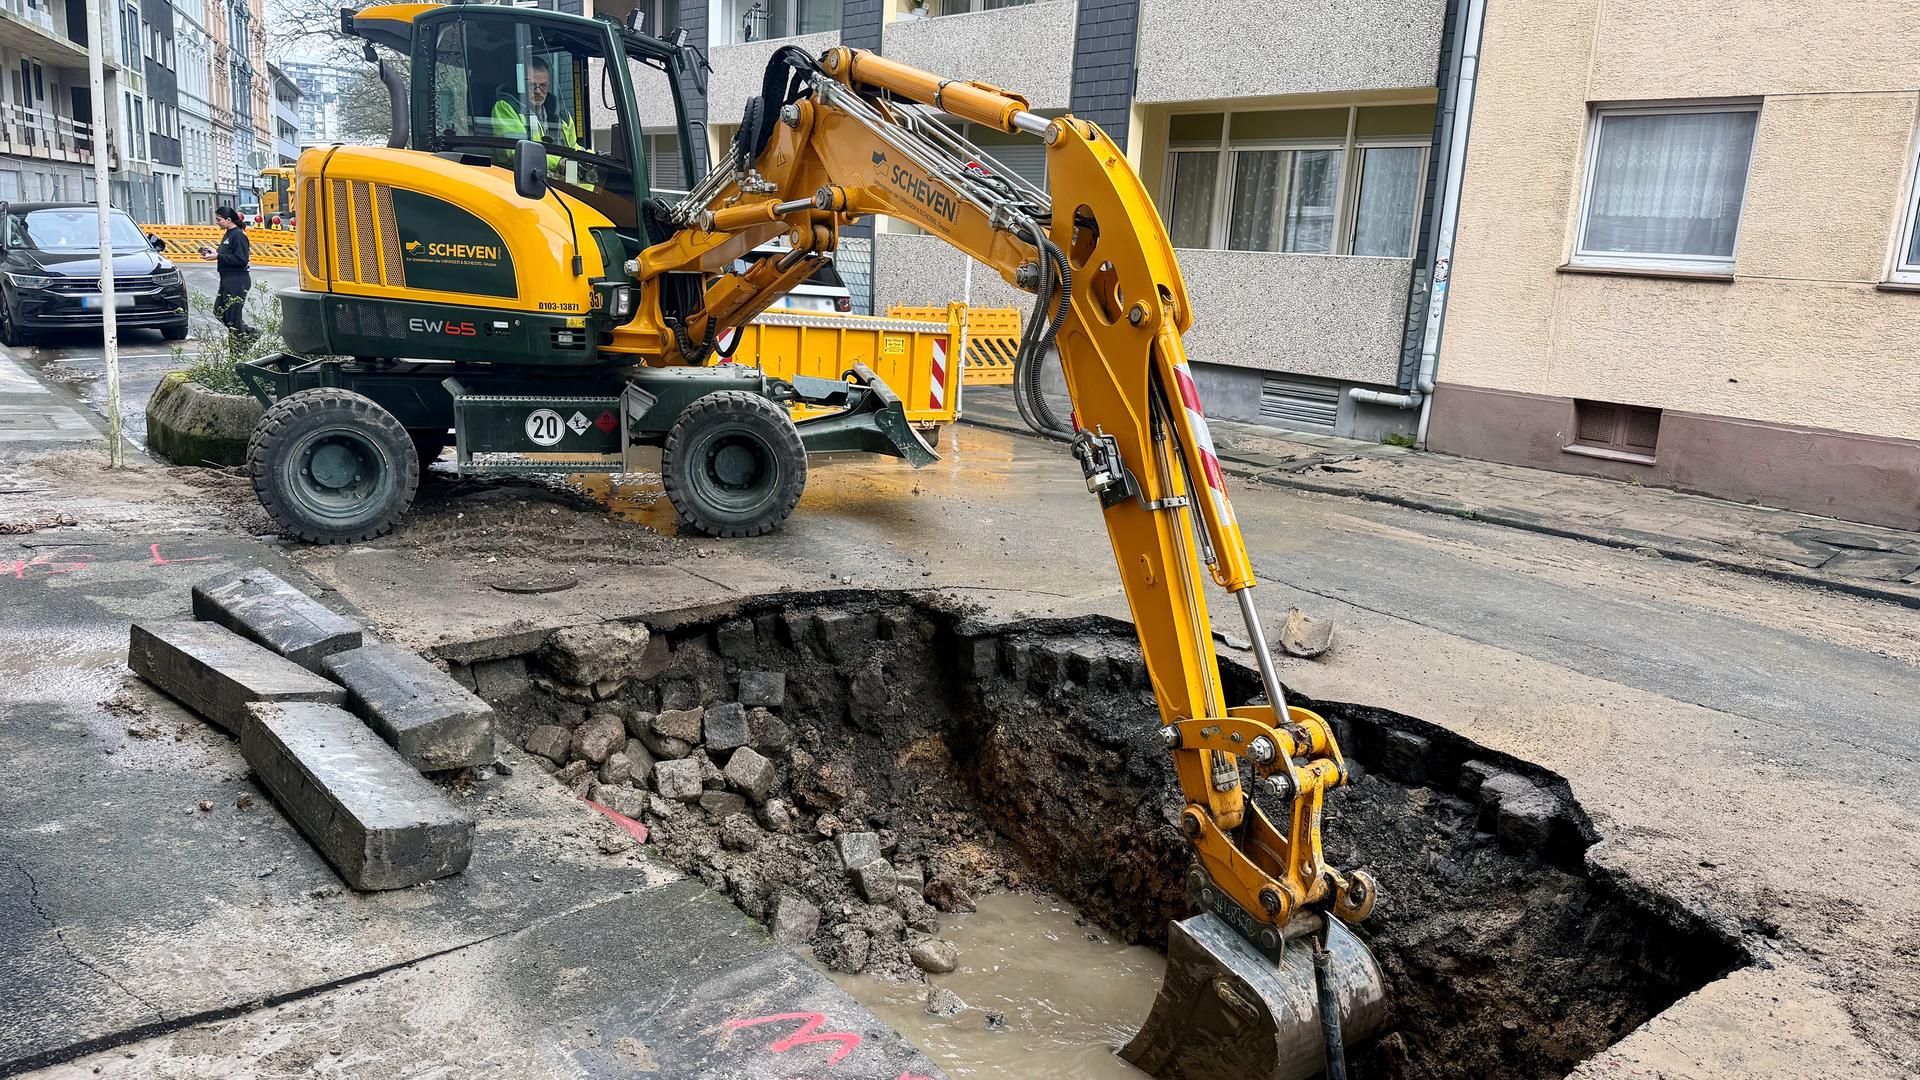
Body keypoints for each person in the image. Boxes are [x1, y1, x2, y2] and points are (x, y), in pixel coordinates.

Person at [489, 56, 580, 171]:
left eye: (543, 86)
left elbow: (573, 148)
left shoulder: (562, 114)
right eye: (532, 85)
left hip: (560, 179)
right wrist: (559, 163)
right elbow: (514, 150)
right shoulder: (506, 107)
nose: (538, 91)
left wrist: (592, 158)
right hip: (523, 180)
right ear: (520, 85)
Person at [205, 206, 255, 340]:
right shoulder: (228, 233)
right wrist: (216, 253)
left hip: (237, 280)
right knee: (219, 311)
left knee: (233, 317)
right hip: (227, 279)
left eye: (219, 219)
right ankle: (248, 333)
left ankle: (238, 347)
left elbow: (241, 259)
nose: (217, 222)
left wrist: (219, 256)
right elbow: (227, 253)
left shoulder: (238, 235)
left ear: (228, 219)